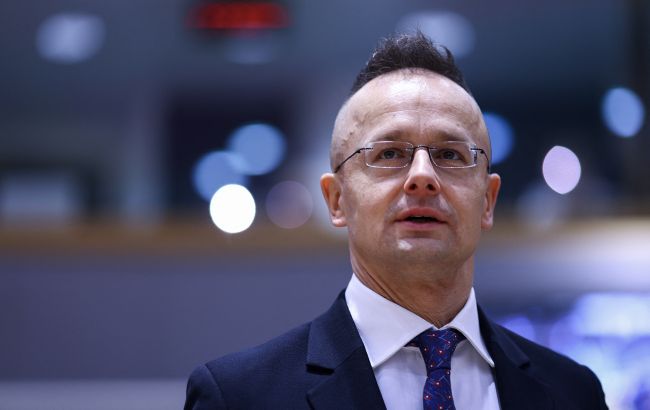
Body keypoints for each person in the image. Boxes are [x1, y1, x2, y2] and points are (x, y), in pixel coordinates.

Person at [184, 32, 608, 410]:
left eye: (450, 155)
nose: (422, 176)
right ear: (336, 200)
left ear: (488, 201)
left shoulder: (573, 393)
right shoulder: (239, 397)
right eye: (389, 153)